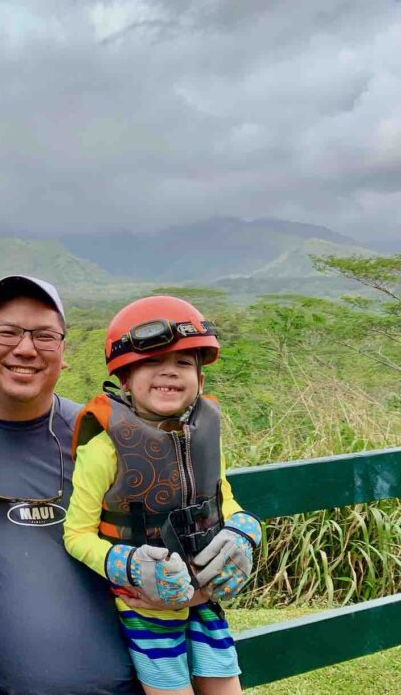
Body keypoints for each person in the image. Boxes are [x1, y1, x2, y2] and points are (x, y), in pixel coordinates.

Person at [0, 275, 144, 695]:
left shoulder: (106, 434)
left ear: (63, 352)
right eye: (6, 331)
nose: (25, 349)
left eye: (44, 335)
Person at [64, 296, 263, 695]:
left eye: (184, 364)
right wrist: (129, 564)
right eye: (153, 362)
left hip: (204, 597)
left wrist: (244, 530)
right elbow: (76, 533)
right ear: (125, 378)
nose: (169, 373)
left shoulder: (203, 439)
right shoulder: (103, 449)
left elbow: (223, 499)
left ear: (201, 380)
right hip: (144, 608)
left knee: (226, 684)